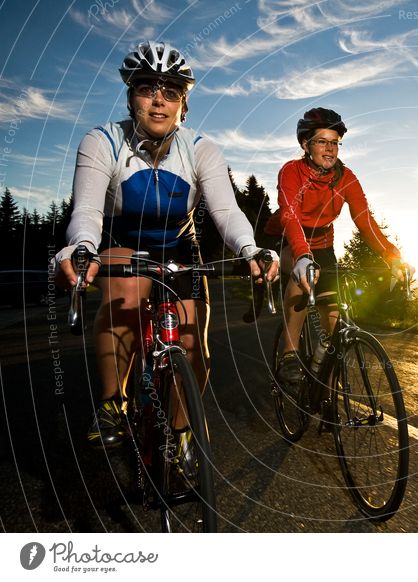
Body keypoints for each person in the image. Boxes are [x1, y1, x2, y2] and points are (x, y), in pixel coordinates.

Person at [54, 41, 278, 475]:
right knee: (124, 293)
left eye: (171, 91)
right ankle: (113, 403)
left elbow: (226, 211)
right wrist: (82, 247)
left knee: (195, 348)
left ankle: (181, 433)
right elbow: (85, 210)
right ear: (131, 97)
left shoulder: (201, 148)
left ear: (183, 105)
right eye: (147, 88)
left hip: (180, 246)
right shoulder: (101, 141)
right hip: (123, 242)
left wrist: (250, 250)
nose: (159, 99)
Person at [264, 108, 412, 396]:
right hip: (286, 238)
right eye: (322, 141)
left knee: (332, 314)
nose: (329, 149)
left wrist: (393, 257)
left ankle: (324, 381)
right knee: (301, 274)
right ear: (305, 145)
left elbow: (365, 220)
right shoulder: (291, 171)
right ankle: (289, 355)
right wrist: (303, 255)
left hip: (322, 244)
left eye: (334, 142)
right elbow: (290, 216)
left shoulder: (346, 177)